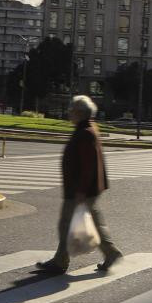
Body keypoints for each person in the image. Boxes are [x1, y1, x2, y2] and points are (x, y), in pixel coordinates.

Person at [37, 95, 123, 275]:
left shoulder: (85, 132)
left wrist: (81, 191)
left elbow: (88, 166)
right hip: (87, 188)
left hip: (81, 189)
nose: (69, 113)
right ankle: (111, 253)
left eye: (72, 110)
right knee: (93, 223)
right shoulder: (88, 128)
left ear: (80, 112)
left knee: (66, 224)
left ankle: (60, 262)